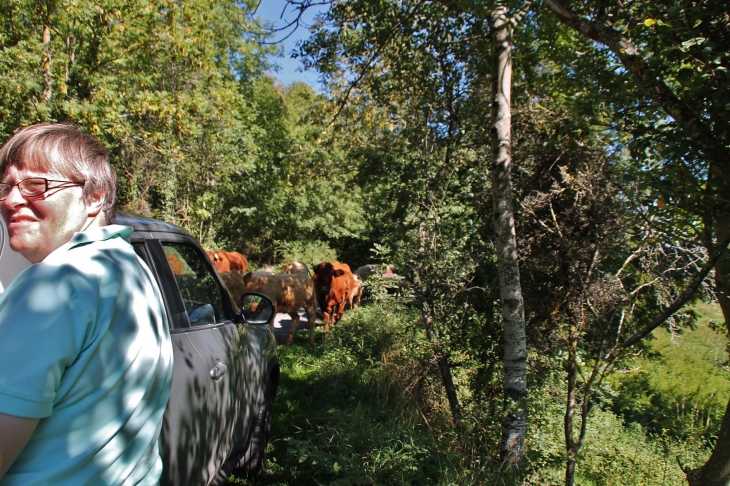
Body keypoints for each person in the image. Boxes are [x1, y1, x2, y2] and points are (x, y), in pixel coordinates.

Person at [0, 124, 173, 485]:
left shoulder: (53, 283)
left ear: (95, 196)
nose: (11, 200)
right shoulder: (130, 267)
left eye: (36, 185)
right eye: (6, 186)